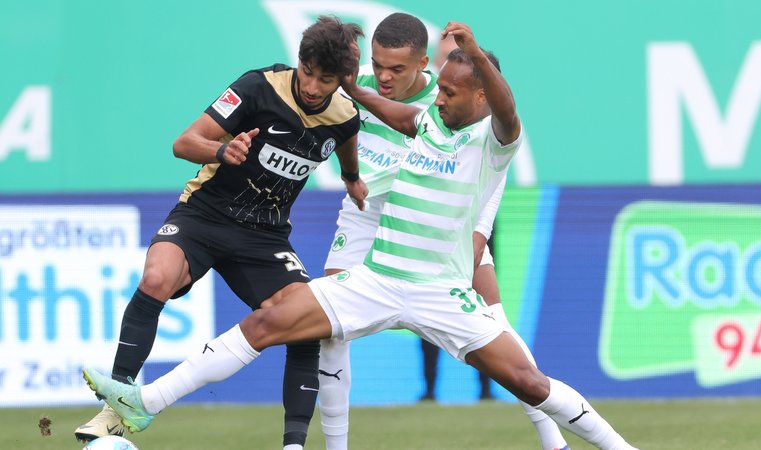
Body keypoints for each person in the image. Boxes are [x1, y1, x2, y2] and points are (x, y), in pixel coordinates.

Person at [82, 22, 638, 450]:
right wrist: (350, 86)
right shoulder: (428, 121)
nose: (436, 99)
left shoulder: (496, 142)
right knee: (270, 321)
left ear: (481, 98)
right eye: (437, 89)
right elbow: (387, 112)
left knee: (528, 380)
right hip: (376, 278)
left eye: (448, 92)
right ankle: (146, 402)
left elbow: (508, 108)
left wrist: (476, 51)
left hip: (440, 291)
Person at [74, 16, 367, 450]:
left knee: (308, 325)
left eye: (325, 80)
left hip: (264, 237)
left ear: (339, 80)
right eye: (307, 73)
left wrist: (352, 178)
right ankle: (116, 406)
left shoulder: (345, 117)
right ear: (299, 62)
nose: (312, 86)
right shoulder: (257, 87)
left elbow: (346, 149)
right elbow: (184, 141)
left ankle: (293, 445)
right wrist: (221, 149)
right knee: (156, 277)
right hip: (205, 215)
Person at [315, 13, 569, 450]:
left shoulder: (453, 94)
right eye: (378, 66)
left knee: (497, 325)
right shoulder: (355, 87)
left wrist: (479, 235)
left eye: (397, 69)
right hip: (368, 214)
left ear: (423, 63)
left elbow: (494, 173)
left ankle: (552, 439)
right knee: (326, 326)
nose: (384, 76)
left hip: (445, 221)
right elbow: (324, 117)